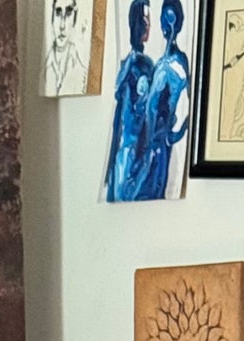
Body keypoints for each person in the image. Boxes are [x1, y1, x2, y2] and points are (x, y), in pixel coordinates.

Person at [105, 1, 154, 201]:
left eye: (149, 21)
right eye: (144, 21)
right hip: (130, 146)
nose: (147, 26)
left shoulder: (132, 65)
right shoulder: (140, 66)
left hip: (129, 146)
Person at [143, 0, 191, 199]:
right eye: (165, 20)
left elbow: (188, 102)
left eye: (172, 21)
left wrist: (176, 134)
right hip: (148, 145)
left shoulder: (180, 62)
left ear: (179, 24)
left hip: (161, 147)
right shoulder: (160, 62)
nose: (167, 27)